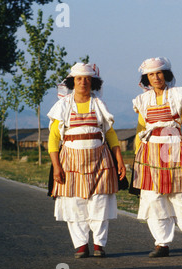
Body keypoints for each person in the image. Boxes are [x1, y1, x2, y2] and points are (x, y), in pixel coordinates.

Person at [131, 57, 182, 258]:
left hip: (174, 148)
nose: (155, 77)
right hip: (149, 152)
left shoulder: (178, 94)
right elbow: (141, 128)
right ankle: (162, 243)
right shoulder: (142, 100)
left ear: (166, 74)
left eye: (159, 73)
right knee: (154, 198)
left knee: (181, 197)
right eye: (151, 74)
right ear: (146, 78)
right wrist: (137, 157)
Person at [47, 63, 126, 258]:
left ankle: (99, 244)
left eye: (87, 79)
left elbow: (111, 134)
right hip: (70, 159)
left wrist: (120, 160)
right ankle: (81, 245)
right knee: (74, 202)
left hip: (100, 158)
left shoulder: (99, 105)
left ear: (93, 82)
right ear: (72, 82)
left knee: (100, 201)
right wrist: (56, 166)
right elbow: (54, 138)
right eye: (79, 79)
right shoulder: (63, 105)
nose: (83, 82)